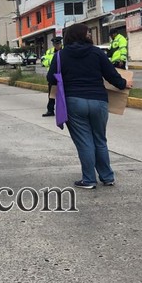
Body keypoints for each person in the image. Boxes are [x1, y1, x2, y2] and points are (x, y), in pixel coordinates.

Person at [46, 23, 131, 189]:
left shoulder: (60, 56)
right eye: (88, 33)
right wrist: (124, 83)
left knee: (84, 141)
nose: (90, 36)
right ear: (83, 35)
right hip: (99, 100)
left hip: (74, 101)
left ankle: (89, 179)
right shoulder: (97, 53)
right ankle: (107, 177)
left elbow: (51, 78)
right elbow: (112, 76)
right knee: (100, 139)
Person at [40, 37, 63, 117]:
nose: (56, 45)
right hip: (53, 76)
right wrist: (53, 62)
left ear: (60, 43)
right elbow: (44, 61)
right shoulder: (49, 52)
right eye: (55, 44)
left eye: (58, 44)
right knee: (52, 94)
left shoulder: (65, 51)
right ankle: (50, 110)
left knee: (65, 94)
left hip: (63, 76)